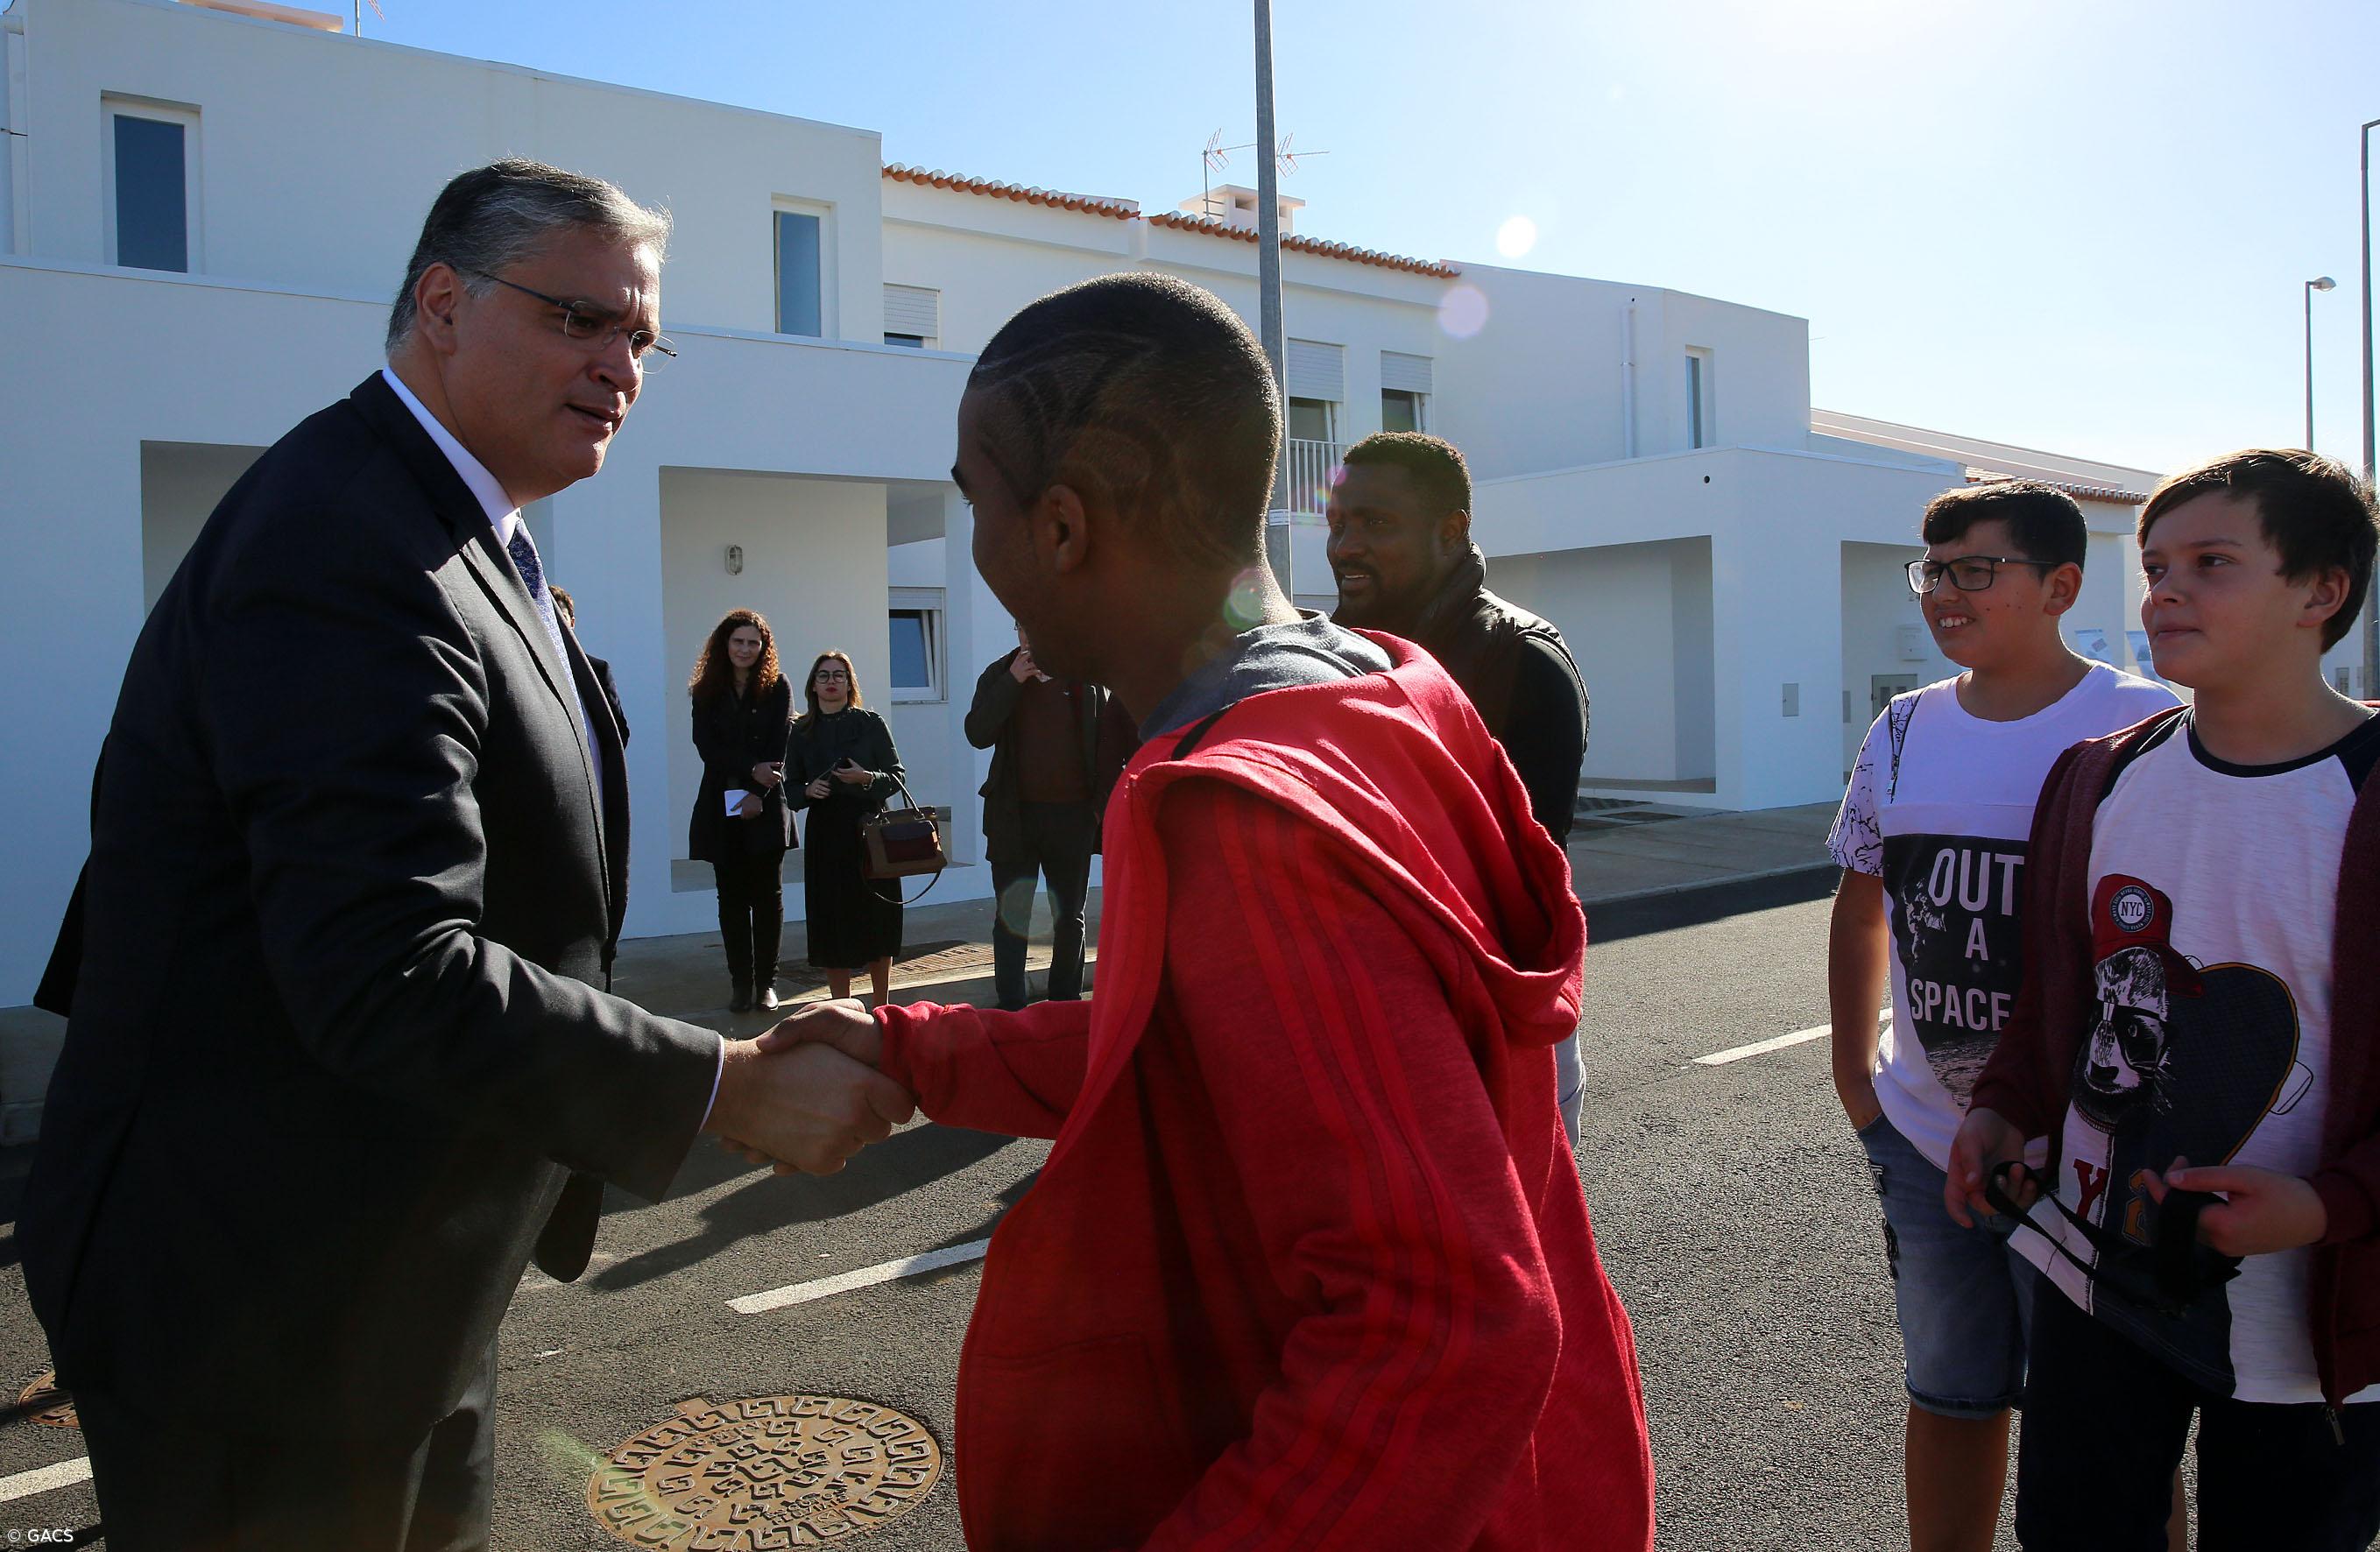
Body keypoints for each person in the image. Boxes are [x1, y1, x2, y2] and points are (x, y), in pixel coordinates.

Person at [18, 159, 910, 1550]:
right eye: (579, 321)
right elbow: (381, 966)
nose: (620, 363)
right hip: (263, 1314)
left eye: (640, 337)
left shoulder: (461, 530)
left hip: (388, 1283)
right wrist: (719, 1085)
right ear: (442, 302)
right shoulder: (341, 542)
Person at [760, 272, 1655, 1549]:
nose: (976, 548)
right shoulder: (1379, 686)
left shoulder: (1251, 806)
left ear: (1060, 527)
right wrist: (919, 1050)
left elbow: (1444, 1331)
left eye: (977, 505)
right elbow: (1205, 1042)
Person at [1947, 449, 2380, 1550]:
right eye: (2152, 564)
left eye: (2211, 561)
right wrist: (2001, 1103)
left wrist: (2327, 1204)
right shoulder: (2096, 775)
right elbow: (2055, 994)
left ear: (2319, 591)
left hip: (2306, 1324)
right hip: (2093, 1272)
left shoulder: (2363, 793)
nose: (2163, 591)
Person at [1825, 481, 2176, 1552]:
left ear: (2060, 584)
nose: (1941, 593)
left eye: (1973, 569)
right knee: (1948, 1392)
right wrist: (1858, 1087)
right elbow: (1861, 903)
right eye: (1930, 569)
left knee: (2109, 1427)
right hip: (1925, 1140)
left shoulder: (2142, 722)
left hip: (2084, 1151)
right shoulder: (1902, 727)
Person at [1326, 430, 1593, 1144]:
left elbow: (1519, 881)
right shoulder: (1326, 661)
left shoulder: (1521, 661)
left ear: (1451, 532)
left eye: (1375, 524)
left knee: (1522, 1246)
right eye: (1338, 524)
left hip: (1491, 1033)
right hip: (1358, 1027)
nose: (1346, 546)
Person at [963, 624, 1137, 1010]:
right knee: (1013, 917)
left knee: (1069, 917)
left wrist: (1097, 809)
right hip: (1014, 818)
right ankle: (1011, 1008)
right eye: (1024, 628)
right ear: (1017, 632)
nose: (1032, 636)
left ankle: (1065, 1003)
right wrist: (1012, 682)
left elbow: (1113, 743)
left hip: (1072, 819)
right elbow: (977, 732)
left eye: (1038, 624)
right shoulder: (998, 674)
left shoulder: (1085, 680)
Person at [688, 608, 797, 1012]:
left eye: (754, 642)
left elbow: (779, 745)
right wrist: (750, 768)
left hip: (767, 802)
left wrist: (757, 790)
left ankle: (766, 983)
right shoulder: (706, 690)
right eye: (739, 641)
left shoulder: (778, 687)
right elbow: (707, 748)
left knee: (768, 898)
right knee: (731, 899)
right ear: (725, 644)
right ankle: (740, 984)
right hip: (721, 804)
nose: (746, 649)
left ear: (763, 648)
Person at [787, 650, 906, 1005]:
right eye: (823, 676)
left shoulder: (871, 724)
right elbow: (789, 788)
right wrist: (808, 790)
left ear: (849, 682)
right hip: (826, 835)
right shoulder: (802, 730)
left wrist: (866, 778)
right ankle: (842, 1008)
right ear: (813, 684)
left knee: (877, 919)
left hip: (871, 833)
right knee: (832, 921)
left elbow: (897, 778)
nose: (831, 682)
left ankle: (882, 1005)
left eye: (839, 675)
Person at [550, 583, 628, 746]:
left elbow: (618, 732)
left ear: (572, 622)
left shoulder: (598, 671)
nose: (556, 626)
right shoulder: (529, 671)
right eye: (550, 618)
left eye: (561, 618)